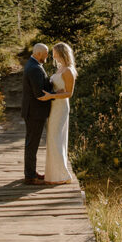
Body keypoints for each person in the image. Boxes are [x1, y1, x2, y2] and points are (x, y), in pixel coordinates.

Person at [38, 41, 77, 184]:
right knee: (52, 139)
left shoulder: (68, 71)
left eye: (54, 52)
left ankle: (62, 175)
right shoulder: (60, 68)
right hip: (54, 106)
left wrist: (52, 96)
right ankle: (54, 174)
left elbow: (69, 93)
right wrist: (52, 93)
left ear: (61, 53)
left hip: (61, 106)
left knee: (56, 139)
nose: (52, 55)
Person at [21, 42, 53, 185]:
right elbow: (39, 94)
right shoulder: (34, 68)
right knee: (32, 144)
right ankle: (30, 176)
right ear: (39, 53)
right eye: (46, 54)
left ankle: (31, 172)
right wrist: (56, 94)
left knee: (32, 143)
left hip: (33, 111)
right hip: (34, 112)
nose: (47, 56)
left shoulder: (34, 65)